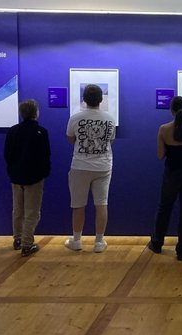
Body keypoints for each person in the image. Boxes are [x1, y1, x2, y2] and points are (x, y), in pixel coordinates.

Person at [147, 96, 182, 261]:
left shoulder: (164, 129)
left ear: (171, 111)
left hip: (171, 174)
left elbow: (160, 155)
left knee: (164, 208)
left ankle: (157, 243)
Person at [64, 84, 116, 253]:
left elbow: (70, 139)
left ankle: (77, 240)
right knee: (102, 203)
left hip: (80, 165)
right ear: (101, 99)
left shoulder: (75, 118)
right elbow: (111, 141)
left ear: (84, 99)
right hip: (103, 165)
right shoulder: (109, 119)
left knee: (78, 204)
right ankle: (99, 242)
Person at [4, 99, 51, 257]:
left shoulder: (12, 131)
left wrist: (12, 171)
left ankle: (17, 239)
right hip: (34, 178)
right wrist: (44, 173)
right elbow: (45, 156)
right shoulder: (41, 132)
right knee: (32, 212)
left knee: (17, 210)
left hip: (16, 177)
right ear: (36, 112)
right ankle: (27, 244)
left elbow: (7, 155)